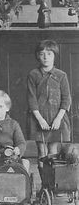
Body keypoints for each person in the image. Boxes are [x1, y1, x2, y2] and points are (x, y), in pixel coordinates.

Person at [27, 40, 71, 179]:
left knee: (53, 152)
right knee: (42, 152)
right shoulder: (33, 75)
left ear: (54, 56)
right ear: (37, 56)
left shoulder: (61, 75)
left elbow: (66, 99)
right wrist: (39, 119)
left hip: (56, 118)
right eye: (42, 54)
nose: (46, 57)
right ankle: (44, 184)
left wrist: (58, 119)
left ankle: (52, 184)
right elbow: (31, 99)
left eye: (49, 54)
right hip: (38, 119)